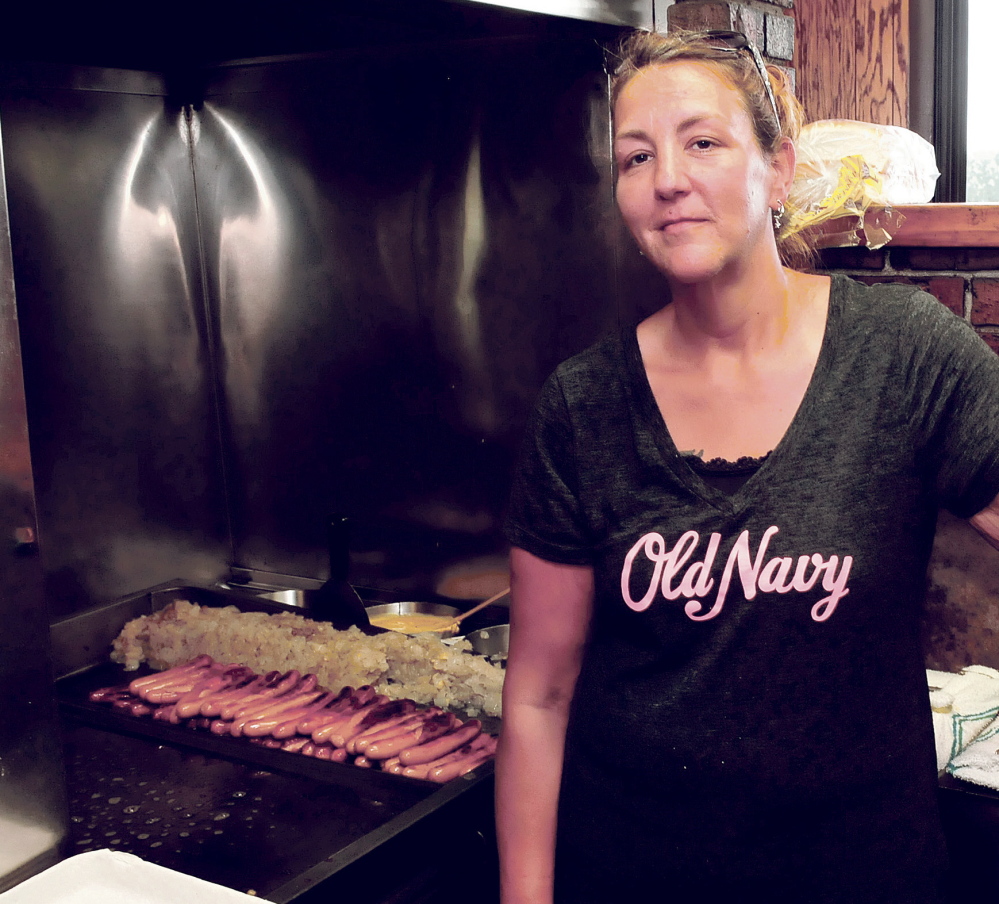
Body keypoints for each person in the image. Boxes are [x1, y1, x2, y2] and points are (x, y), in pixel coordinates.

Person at [495, 27, 999, 904]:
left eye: (703, 142)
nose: (666, 180)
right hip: (629, 873)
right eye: (634, 156)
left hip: (862, 875)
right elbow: (538, 693)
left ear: (777, 169)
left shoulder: (907, 357)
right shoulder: (581, 406)